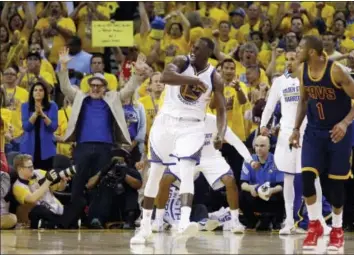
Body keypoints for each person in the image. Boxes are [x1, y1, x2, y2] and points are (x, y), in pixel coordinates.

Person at [131, 37, 227, 244]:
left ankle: (184, 222)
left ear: (208, 53)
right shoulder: (182, 61)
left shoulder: (214, 76)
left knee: (186, 170)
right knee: (155, 173)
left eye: (199, 48)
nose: (193, 49)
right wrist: (192, 81)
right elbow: (166, 76)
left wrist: (221, 132)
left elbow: (221, 108)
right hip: (166, 121)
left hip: (192, 124)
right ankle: (146, 227)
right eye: (193, 46)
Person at [289, 35, 354, 251]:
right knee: (306, 177)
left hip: (337, 133)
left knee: (335, 186)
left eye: (301, 47)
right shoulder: (302, 69)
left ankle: (337, 229)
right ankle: (315, 225)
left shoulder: (336, 71)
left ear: (312, 52)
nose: (297, 50)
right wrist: (296, 129)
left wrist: (344, 123)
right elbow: (304, 100)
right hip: (314, 132)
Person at [57, 47, 150, 207]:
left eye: (99, 86)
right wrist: (64, 68)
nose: (95, 88)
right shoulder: (80, 97)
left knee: (101, 182)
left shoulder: (113, 97)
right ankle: (75, 215)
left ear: (105, 88)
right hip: (83, 146)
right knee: (78, 180)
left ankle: (96, 217)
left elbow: (128, 91)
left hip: (105, 148)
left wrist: (137, 73)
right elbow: (65, 88)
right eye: (92, 85)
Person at [260, 49, 331, 235]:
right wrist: (262, 125)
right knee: (288, 178)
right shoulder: (279, 82)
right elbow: (269, 106)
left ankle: (319, 220)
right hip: (286, 136)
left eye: (294, 59)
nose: (289, 62)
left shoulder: (311, 79)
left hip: (309, 134)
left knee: (312, 177)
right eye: (287, 59)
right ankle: (289, 221)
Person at [152, 113, 253, 234]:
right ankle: (158, 220)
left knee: (229, 180)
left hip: (210, 157)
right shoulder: (180, 120)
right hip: (185, 156)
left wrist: (250, 159)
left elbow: (235, 141)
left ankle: (235, 221)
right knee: (165, 179)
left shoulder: (215, 120)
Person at [240, 135, 284, 231]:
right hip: (255, 194)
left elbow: (281, 185)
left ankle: (277, 222)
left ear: (269, 147)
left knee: (284, 193)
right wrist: (250, 188)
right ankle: (252, 221)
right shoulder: (249, 161)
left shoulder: (277, 160)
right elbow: (243, 183)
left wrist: (272, 190)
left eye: (262, 146)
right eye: (256, 146)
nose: (259, 149)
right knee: (241, 195)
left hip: (271, 195)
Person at [20, 82, 58, 171]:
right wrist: (36, 114)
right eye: (35, 90)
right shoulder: (25, 106)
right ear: (32, 93)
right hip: (28, 148)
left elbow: (53, 127)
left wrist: (42, 114)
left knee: (46, 177)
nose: (38, 92)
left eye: (41, 90)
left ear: (45, 93)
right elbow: (26, 127)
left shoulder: (52, 106)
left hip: (47, 149)